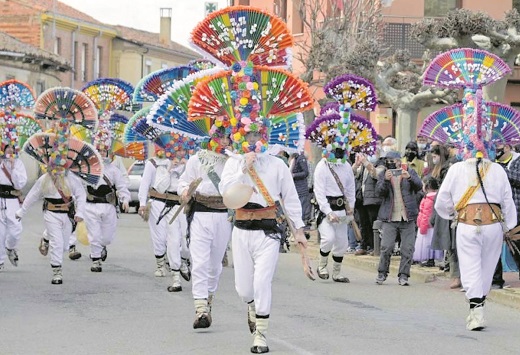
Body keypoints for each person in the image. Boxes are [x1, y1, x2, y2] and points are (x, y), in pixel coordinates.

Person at [220, 132, 308, 355]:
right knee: (243, 289)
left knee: (262, 282)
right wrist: (243, 168)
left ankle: (260, 334)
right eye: (247, 134)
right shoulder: (233, 162)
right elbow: (225, 192)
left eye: (257, 134)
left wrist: (299, 230)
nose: (252, 139)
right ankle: (251, 306)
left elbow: (290, 198)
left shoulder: (277, 164)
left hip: (268, 230)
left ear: (265, 135)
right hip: (241, 229)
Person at [177, 129, 232, 329]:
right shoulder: (197, 159)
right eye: (221, 136)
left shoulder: (233, 161)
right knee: (199, 261)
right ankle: (200, 308)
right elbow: (183, 181)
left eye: (228, 137)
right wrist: (185, 190)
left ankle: (208, 299)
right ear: (212, 137)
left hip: (223, 216)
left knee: (214, 264)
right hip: (200, 213)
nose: (224, 141)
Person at [138, 137, 193, 291]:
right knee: (171, 239)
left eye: (182, 149)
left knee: (186, 240)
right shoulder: (158, 164)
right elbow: (156, 186)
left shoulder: (190, 164)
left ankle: (183, 260)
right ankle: (175, 277)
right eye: (176, 149)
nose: (180, 153)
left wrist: (186, 169)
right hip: (163, 205)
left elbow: (195, 185)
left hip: (183, 206)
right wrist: (169, 170)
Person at [16, 166, 87, 284]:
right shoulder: (44, 179)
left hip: (67, 214)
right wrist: (22, 211)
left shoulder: (71, 178)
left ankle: (46, 236)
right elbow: (33, 195)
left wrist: (80, 212)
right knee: (57, 242)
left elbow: (81, 195)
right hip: (51, 213)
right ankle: (57, 271)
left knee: (65, 246)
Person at [375, 150, 423, 286]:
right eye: (388, 160)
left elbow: (419, 186)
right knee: (386, 247)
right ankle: (382, 273)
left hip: (407, 217)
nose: (391, 163)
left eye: (393, 160)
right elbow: (378, 193)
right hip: (390, 217)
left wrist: (409, 177)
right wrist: (385, 180)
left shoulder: (409, 171)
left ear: (399, 160)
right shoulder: (383, 174)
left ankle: (403, 275)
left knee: (407, 248)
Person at [85, 144, 130, 273]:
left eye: (104, 151)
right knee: (94, 235)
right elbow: (79, 186)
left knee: (106, 237)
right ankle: (96, 260)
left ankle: (102, 246)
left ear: (109, 153)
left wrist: (125, 200)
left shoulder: (113, 170)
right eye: (99, 150)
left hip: (108, 206)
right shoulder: (87, 169)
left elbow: (121, 187)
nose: (102, 153)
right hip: (90, 206)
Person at [313, 147, 355, 281]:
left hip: (342, 208)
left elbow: (350, 188)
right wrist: (328, 211)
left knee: (342, 241)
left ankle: (337, 273)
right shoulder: (322, 166)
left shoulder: (346, 165)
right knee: (328, 238)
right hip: (326, 210)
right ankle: (321, 265)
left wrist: (351, 207)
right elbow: (319, 192)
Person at [429, 144, 461, 288]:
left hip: (453, 207)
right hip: (445, 207)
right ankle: (455, 275)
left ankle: (457, 276)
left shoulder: (452, 166)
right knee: (451, 245)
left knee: (454, 245)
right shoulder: (444, 167)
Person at [492, 143, 520, 288]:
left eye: (500, 145)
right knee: (493, 246)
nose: (497, 149)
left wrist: (498, 169)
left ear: (508, 147)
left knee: (516, 248)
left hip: (516, 210)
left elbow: (518, 178)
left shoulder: (517, 161)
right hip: (495, 212)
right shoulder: (491, 164)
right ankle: (496, 280)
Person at [0, 145, 27, 270]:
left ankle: (10, 248)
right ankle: (0, 261)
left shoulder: (18, 163)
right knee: (1, 232)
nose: (10, 150)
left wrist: (13, 168)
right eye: (7, 147)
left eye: (12, 147)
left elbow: (20, 183)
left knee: (16, 229)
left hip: (12, 200)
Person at [351, 152, 384, 255]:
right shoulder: (363, 166)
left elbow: (376, 174)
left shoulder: (381, 163)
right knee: (363, 223)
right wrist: (356, 164)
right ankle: (364, 245)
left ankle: (375, 247)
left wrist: (366, 162)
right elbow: (353, 173)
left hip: (373, 199)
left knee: (373, 223)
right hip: (362, 198)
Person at [413, 176, 443, 266]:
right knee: (432, 244)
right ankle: (431, 259)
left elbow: (426, 215)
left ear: (427, 186)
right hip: (432, 226)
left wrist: (422, 227)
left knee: (427, 244)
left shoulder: (428, 199)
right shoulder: (436, 197)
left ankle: (429, 260)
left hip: (426, 226)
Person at [289, 152, 311, 239]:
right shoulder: (292, 158)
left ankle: (299, 232)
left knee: (300, 212)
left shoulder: (301, 158)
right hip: (293, 189)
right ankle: (294, 231)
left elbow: (305, 172)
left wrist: (293, 175)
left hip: (301, 189)